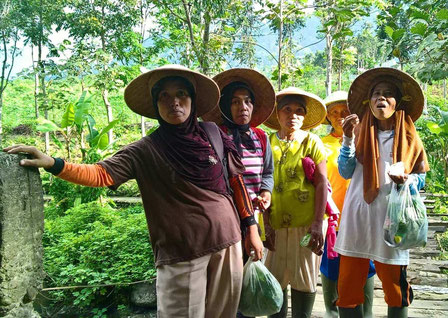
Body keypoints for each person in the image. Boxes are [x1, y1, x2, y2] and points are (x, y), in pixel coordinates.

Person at [4, 65, 264, 318]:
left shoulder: (213, 134)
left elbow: (236, 183)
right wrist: (53, 163)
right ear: (155, 104)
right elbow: (100, 173)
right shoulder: (145, 150)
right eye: (165, 96)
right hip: (181, 253)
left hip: (228, 243)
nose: (174, 102)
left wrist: (251, 229)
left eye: (181, 94)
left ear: (193, 100)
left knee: (224, 313)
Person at [334, 68, 429, 318]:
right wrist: (346, 138)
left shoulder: (410, 138)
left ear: (397, 103)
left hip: (393, 222)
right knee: (347, 288)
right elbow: (345, 171)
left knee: (396, 288)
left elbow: (421, 178)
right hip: (358, 220)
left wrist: (408, 181)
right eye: (376, 94)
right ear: (369, 102)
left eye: (388, 94)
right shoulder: (358, 133)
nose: (381, 99)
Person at [263, 87, 328, 318]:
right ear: (278, 114)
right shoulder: (267, 142)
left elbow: (322, 183)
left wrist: (318, 223)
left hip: (307, 223)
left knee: (305, 277)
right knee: (275, 277)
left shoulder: (312, 141)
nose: (293, 115)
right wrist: (266, 224)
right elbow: (262, 184)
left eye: (299, 111)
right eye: (287, 110)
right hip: (275, 224)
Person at [202, 68, 275, 245]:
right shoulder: (216, 136)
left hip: (255, 213)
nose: (243, 107)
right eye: (235, 102)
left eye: (247, 101)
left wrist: (265, 193)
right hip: (227, 214)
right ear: (226, 106)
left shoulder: (261, 137)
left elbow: (267, 172)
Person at [320, 91, 376, 318]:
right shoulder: (321, 144)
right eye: (333, 113)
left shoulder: (365, 139)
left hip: (362, 218)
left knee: (366, 268)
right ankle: (332, 312)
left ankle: (368, 312)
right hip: (332, 221)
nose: (339, 116)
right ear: (327, 118)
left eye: (344, 111)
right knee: (331, 269)